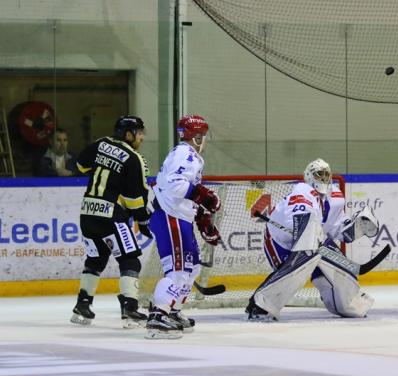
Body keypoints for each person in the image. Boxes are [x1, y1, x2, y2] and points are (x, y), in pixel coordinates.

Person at [245, 158, 379, 321]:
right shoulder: (302, 191)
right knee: (297, 268)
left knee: (338, 273)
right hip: (280, 241)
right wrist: (310, 242)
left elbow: (336, 228)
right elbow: (304, 221)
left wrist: (355, 227)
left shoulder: (335, 196)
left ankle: (349, 304)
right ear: (309, 176)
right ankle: (261, 305)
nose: (323, 178)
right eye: (319, 174)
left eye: (326, 174)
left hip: (315, 239)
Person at [70, 115, 152, 327]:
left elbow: (79, 165)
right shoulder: (134, 159)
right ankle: (130, 308)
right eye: (139, 133)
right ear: (128, 134)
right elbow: (135, 199)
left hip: (87, 212)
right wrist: (143, 221)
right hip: (111, 216)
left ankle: (83, 304)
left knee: (96, 259)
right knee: (130, 260)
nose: (142, 137)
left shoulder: (100, 143)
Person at [145, 115, 221, 339]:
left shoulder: (189, 156)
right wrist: (206, 197)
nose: (205, 140)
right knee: (178, 270)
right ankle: (158, 316)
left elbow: (184, 192)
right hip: (170, 217)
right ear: (196, 137)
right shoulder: (184, 154)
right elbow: (176, 186)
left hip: (179, 216)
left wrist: (202, 219)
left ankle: (173, 309)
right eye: (203, 136)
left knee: (192, 268)